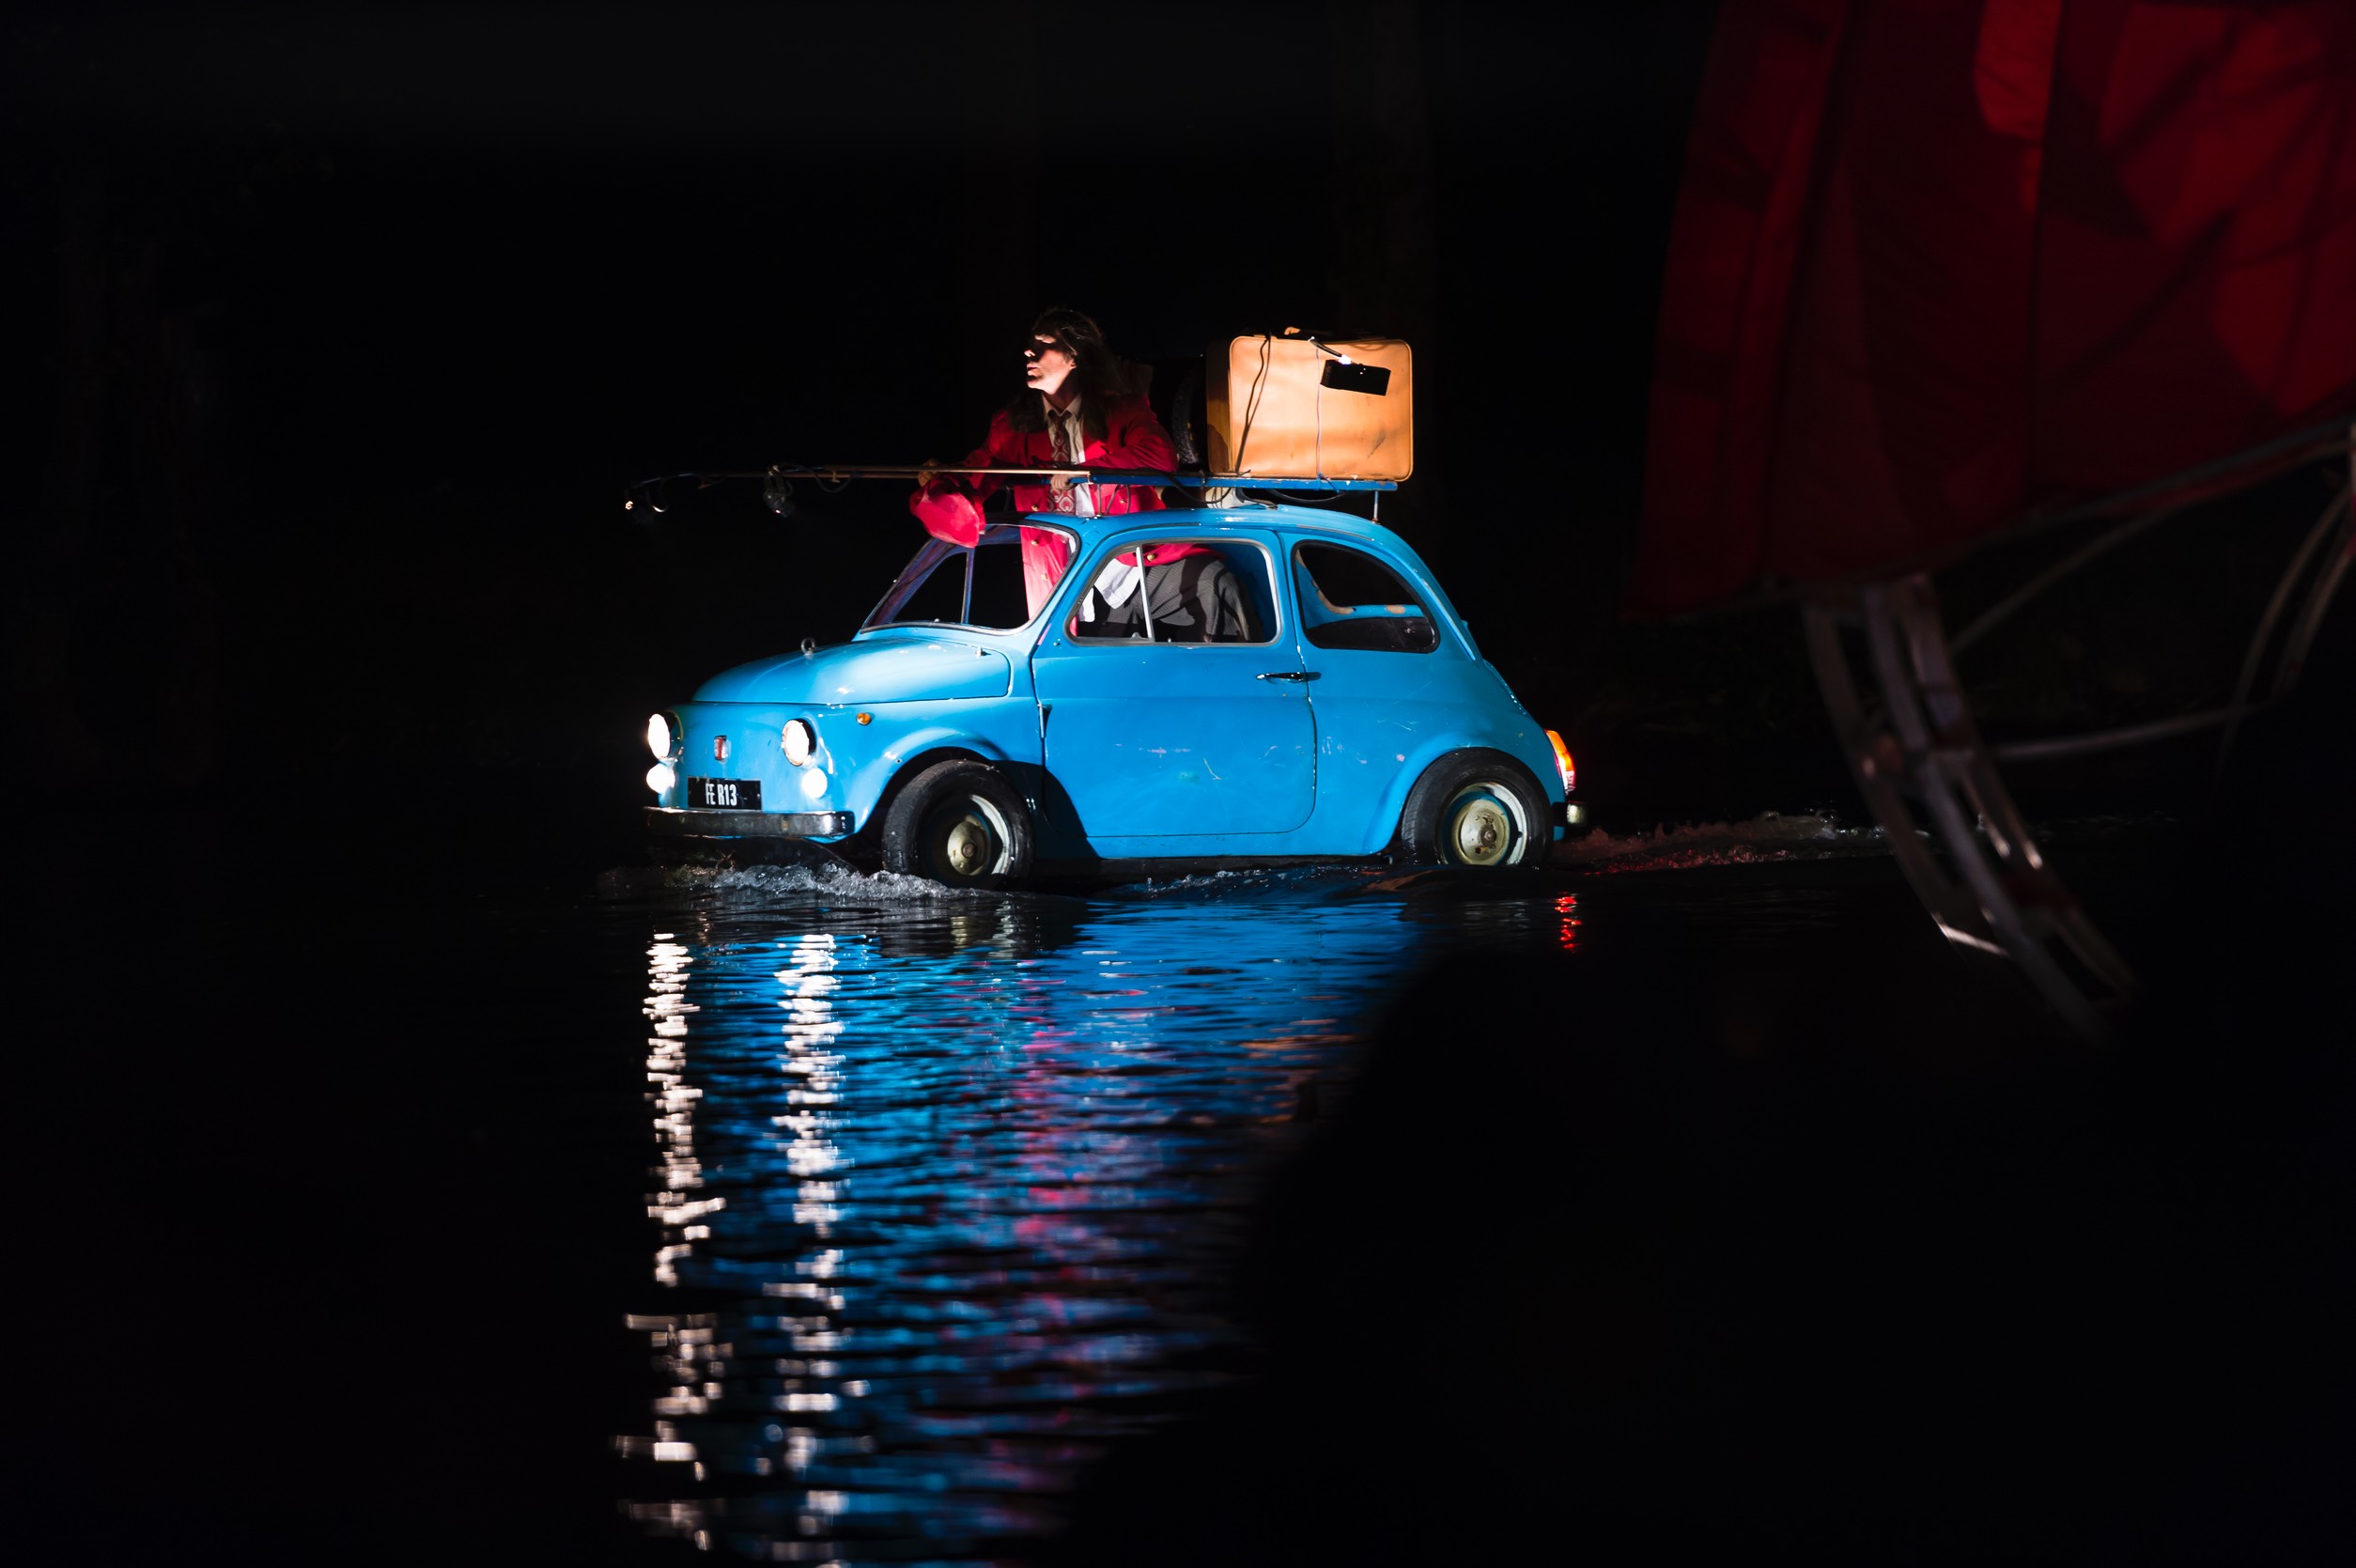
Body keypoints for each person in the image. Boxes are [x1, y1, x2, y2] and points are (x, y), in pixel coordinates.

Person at [911, 308, 1179, 617]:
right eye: (1030, 343)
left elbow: (1160, 454)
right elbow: (976, 475)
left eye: (1043, 343)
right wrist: (942, 481)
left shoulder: (1121, 409)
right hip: (1062, 582)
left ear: (1074, 356)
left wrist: (1083, 472)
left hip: (1129, 566)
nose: (1028, 350)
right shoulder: (1011, 427)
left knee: (1214, 585)